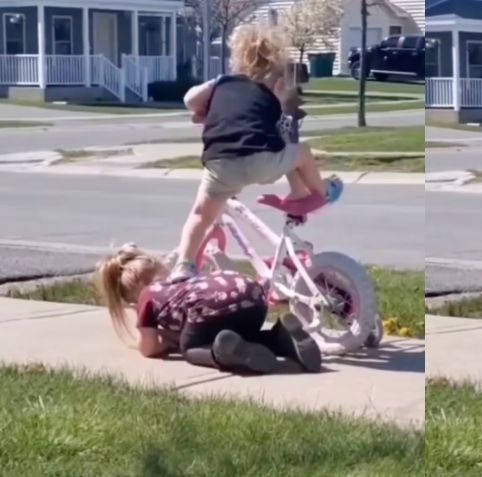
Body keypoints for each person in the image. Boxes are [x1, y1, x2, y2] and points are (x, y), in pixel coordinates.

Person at [171, 24, 343, 282]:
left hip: (220, 164)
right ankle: (319, 192)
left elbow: (190, 101)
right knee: (300, 151)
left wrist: (206, 107)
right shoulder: (275, 84)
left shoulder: (223, 83)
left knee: (199, 215)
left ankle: (183, 266)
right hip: (262, 159)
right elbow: (284, 121)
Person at [95, 243, 322, 374]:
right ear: (158, 266)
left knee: (190, 348)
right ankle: (281, 338)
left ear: (132, 294)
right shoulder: (182, 279)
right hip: (253, 300)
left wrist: (156, 338)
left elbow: (149, 348)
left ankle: (224, 352)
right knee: (241, 334)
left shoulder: (147, 296)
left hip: (211, 310)